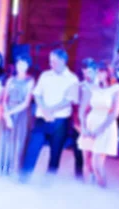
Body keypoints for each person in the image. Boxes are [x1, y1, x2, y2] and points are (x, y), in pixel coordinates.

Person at [20, 48, 79, 181]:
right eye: (50, 61)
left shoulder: (72, 79)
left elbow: (69, 100)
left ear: (63, 61)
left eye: (54, 61)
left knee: (55, 152)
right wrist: (45, 109)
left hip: (60, 121)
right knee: (32, 149)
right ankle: (23, 179)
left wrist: (51, 110)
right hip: (42, 118)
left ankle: (48, 183)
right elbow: (37, 94)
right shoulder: (45, 75)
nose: (51, 64)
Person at [77, 62, 119, 187]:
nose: (98, 75)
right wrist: (83, 127)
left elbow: (114, 113)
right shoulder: (91, 87)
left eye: (101, 72)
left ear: (108, 73)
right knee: (86, 161)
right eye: (97, 72)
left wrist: (100, 129)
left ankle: (102, 192)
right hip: (90, 123)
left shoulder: (117, 89)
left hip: (105, 126)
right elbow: (82, 110)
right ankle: (88, 190)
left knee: (96, 164)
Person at [0, 54, 34, 176]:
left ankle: (15, 170)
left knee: (18, 141)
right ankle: (3, 169)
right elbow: (4, 99)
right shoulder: (10, 80)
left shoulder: (30, 81)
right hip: (8, 111)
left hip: (21, 114)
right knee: (5, 140)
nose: (20, 66)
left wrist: (10, 113)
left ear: (27, 65)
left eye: (23, 64)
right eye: (19, 63)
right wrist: (6, 114)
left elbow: (26, 103)